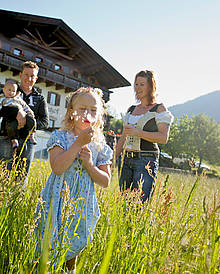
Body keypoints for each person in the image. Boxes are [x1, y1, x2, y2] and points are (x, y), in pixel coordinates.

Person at [35, 87, 113, 272]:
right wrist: (78, 144)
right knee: (49, 239)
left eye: (93, 110)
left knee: (75, 241)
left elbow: (105, 181)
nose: (87, 113)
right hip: (57, 197)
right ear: (71, 113)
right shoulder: (60, 137)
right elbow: (57, 167)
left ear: (99, 115)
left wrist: (90, 165)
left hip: (82, 202)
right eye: (82, 109)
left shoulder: (101, 145)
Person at [116, 70, 174, 203]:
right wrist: (113, 159)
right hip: (125, 161)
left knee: (140, 205)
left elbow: (163, 138)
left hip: (145, 160)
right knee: (124, 204)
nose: (137, 88)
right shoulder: (131, 109)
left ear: (151, 86)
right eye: (136, 84)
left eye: (142, 84)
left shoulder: (159, 109)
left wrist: (138, 133)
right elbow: (123, 137)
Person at [0, 61, 48, 175]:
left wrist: (25, 122)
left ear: (36, 78)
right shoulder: (8, 90)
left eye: (32, 76)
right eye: (26, 75)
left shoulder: (40, 98)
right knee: (1, 176)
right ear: (20, 75)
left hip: (27, 141)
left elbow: (44, 122)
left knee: (21, 177)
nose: (29, 78)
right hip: (6, 137)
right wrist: (17, 112)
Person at [0, 79, 37, 154]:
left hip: (24, 119)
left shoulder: (19, 99)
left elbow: (25, 107)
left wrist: (30, 113)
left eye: (13, 91)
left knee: (32, 120)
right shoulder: (2, 99)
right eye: (9, 90)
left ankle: (31, 134)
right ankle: (14, 140)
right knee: (11, 126)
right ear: (4, 90)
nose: (11, 92)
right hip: (11, 119)